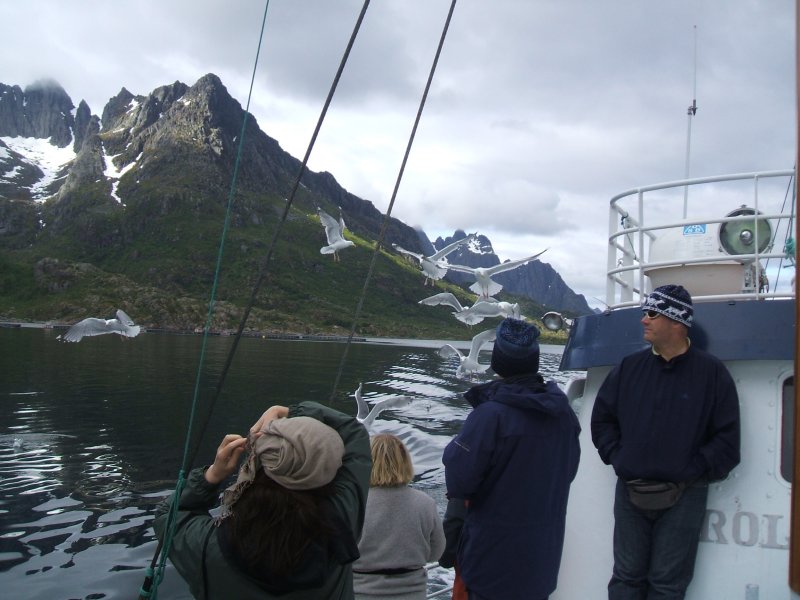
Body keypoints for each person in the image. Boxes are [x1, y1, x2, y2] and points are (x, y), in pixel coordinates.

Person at [590, 284, 741, 599]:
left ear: (676, 321)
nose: (644, 320)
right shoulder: (629, 368)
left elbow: (727, 441)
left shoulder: (712, 374)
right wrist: (619, 457)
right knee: (626, 579)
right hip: (630, 491)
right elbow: (602, 419)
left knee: (667, 586)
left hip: (684, 497)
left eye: (652, 313)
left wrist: (693, 470)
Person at [153, 401, 371, 600]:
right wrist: (286, 411)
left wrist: (211, 476)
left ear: (256, 467)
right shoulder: (344, 517)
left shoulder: (206, 545)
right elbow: (354, 432)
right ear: (328, 469)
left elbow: (168, 516)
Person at [442, 317, 581, 600]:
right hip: (541, 562)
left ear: (498, 362)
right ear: (534, 361)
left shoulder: (490, 416)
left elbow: (459, 481)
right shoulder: (563, 414)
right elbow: (569, 470)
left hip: (492, 566)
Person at [352, 433, 445, 599]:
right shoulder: (425, 503)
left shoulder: (354, 503)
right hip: (412, 594)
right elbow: (436, 552)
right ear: (405, 462)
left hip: (361, 593)